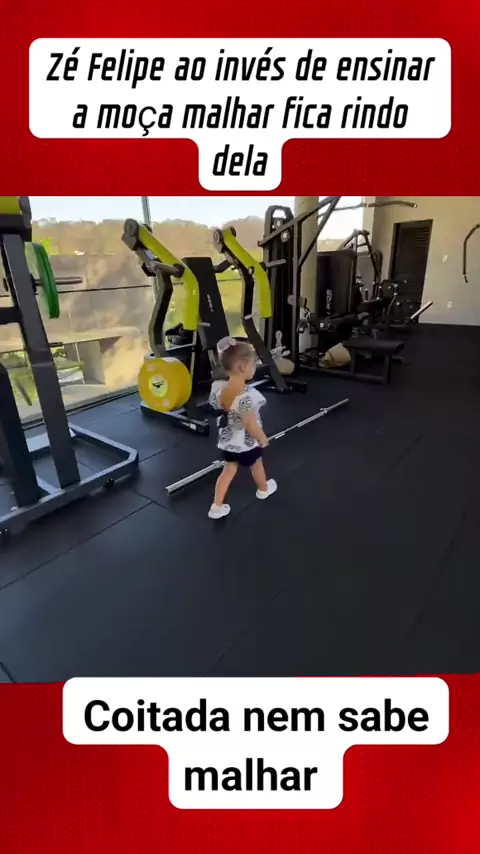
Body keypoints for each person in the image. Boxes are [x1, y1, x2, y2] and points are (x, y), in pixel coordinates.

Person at [208, 337, 277, 519]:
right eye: (253, 365)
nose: (254, 368)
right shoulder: (248, 396)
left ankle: (216, 507)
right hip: (247, 444)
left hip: (227, 442)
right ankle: (263, 489)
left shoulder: (218, 388)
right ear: (241, 367)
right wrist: (262, 439)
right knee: (257, 465)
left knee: (228, 470)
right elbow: (250, 423)